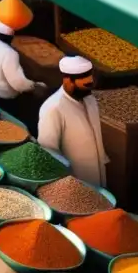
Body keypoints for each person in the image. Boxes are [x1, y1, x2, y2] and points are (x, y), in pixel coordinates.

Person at [38, 56, 108, 186]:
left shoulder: (89, 99)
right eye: (85, 85)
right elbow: (48, 150)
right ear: (68, 81)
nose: (89, 90)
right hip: (73, 180)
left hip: (97, 171)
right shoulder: (53, 108)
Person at [0, 19, 47, 132]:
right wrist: (34, 86)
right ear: (10, 37)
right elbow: (18, 84)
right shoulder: (9, 53)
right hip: (2, 98)